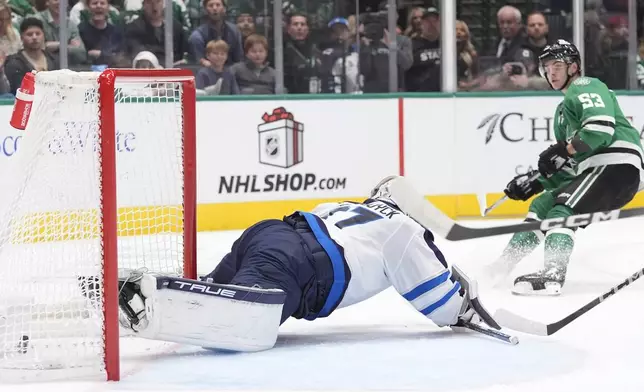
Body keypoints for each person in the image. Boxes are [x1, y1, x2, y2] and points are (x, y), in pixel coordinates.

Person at [116, 176, 501, 352]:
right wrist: (465, 304)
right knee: (237, 319)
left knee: (210, 290)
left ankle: (138, 291)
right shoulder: (404, 229)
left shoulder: (346, 206)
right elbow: (440, 305)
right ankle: (151, 300)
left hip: (267, 233)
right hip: (300, 264)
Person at [486, 39, 644, 296]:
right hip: (595, 171)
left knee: (562, 210)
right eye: (546, 67)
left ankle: (552, 274)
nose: (551, 72)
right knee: (543, 205)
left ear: (573, 67)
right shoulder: (561, 114)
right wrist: (536, 181)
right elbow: (570, 167)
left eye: (557, 65)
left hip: (616, 167)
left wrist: (565, 149)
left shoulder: (585, 85)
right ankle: (501, 267)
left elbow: (600, 129)